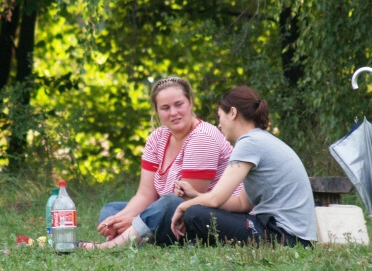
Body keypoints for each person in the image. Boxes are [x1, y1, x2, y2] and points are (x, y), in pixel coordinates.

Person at [79, 75, 240, 250]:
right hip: (165, 212)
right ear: (157, 111)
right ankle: (141, 234)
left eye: (179, 104)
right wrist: (119, 219)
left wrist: (134, 220)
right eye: (165, 108)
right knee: (111, 211)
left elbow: (187, 201)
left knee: (170, 202)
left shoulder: (202, 137)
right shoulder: (157, 137)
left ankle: (113, 245)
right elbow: (145, 195)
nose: (173, 113)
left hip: (206, 214)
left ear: (190, 103)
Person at [171, 85, 317, 248]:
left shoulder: (250, 143)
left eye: (220, 117)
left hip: (286, 238)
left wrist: (183, 206)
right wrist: (196, 196)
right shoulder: (259, 140)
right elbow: (242, 204)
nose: (219, 125)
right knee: (198, 212)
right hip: (292, 236)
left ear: (232, 113)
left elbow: (215, 199)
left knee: (194, 214)